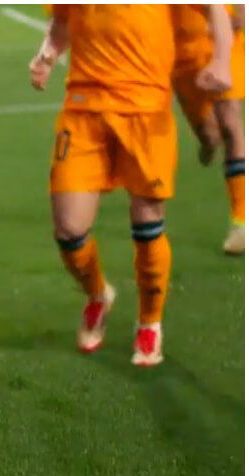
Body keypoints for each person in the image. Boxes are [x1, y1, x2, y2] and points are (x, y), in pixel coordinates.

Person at [28, 6, 232, 366]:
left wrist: (221, 60)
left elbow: (215, 7)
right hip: (83, 110)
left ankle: (150, 322)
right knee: (69, 229)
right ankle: (97, 295)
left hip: (145, 111)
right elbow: (62, 22)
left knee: (147, 224)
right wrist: (46, 55)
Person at [172, 5, 245, 254]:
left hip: (223, 36)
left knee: (229, 120)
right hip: (182, 51)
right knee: (211, 135)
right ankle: (207, 143)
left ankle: (241, 221)